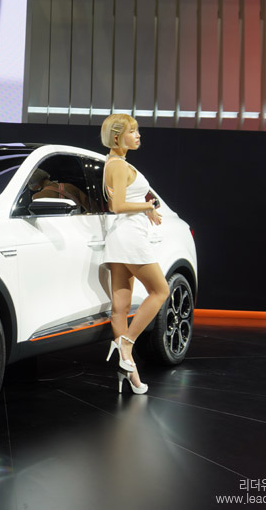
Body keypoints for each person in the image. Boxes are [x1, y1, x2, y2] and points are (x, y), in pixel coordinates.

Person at [101, 113, 169, 394]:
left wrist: (145, 207)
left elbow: (121, 202)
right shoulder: (118, 164)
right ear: (118, 137)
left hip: (120, 237)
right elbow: (117, 206)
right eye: (133, 131)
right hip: (130, 237)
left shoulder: (115, 162)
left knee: (120, 309)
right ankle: (126, 344)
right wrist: (148, 206)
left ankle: (130, 374)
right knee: (160, 291)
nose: (138, 135)